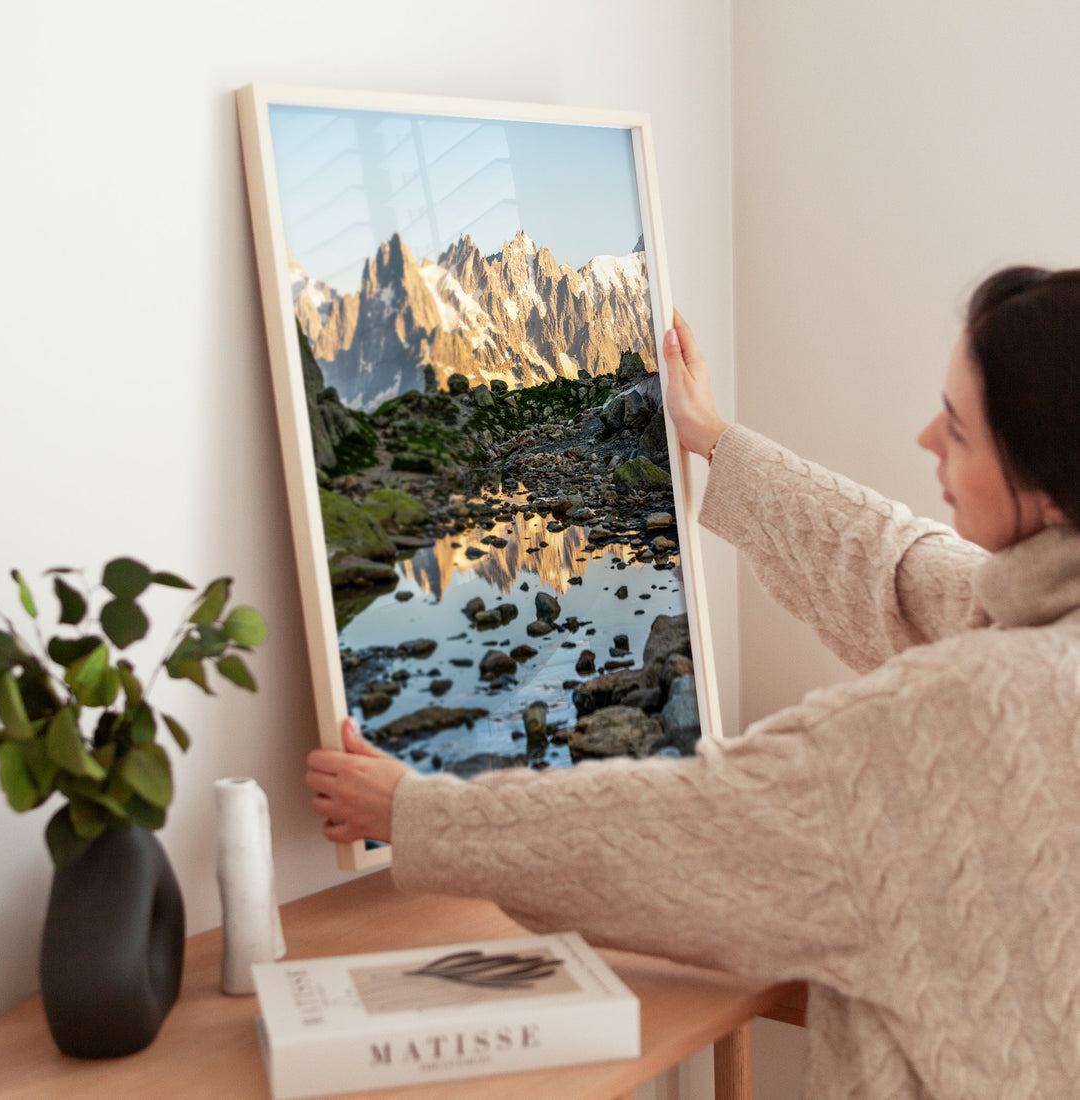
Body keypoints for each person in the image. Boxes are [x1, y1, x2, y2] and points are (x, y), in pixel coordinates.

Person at [306, 266, 1080, 1099]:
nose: (928, 437)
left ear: (1044, 487)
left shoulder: (958, 715)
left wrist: (414, 813)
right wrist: (714, 439)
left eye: (960, 431)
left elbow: (688, 828)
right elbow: (898, 569)